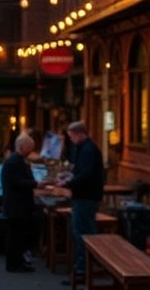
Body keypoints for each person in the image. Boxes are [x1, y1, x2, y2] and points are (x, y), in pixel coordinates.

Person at [56, 120, 104, 284]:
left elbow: (86, 175)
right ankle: (83, 268)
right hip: (86, 195)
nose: (70, 139)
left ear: (78, 134)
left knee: (82, 233)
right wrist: (70, 177)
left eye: (71, 136)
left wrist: (68, 182)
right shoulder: (86, 148)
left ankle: (83, 270)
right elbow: (83, 172)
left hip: (86, 197)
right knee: (84, 231)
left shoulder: (87, 150)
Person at [1, 133, 47, 273]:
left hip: (18, 205)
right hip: (16, 205)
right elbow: (17, 182)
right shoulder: (14, 161)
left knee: (19, 235)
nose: (31, 151)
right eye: (30, 148)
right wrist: (36, 184)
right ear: (23, 146)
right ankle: (14, 264)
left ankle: (18, 261)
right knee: (15, 236)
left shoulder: (17, 160)